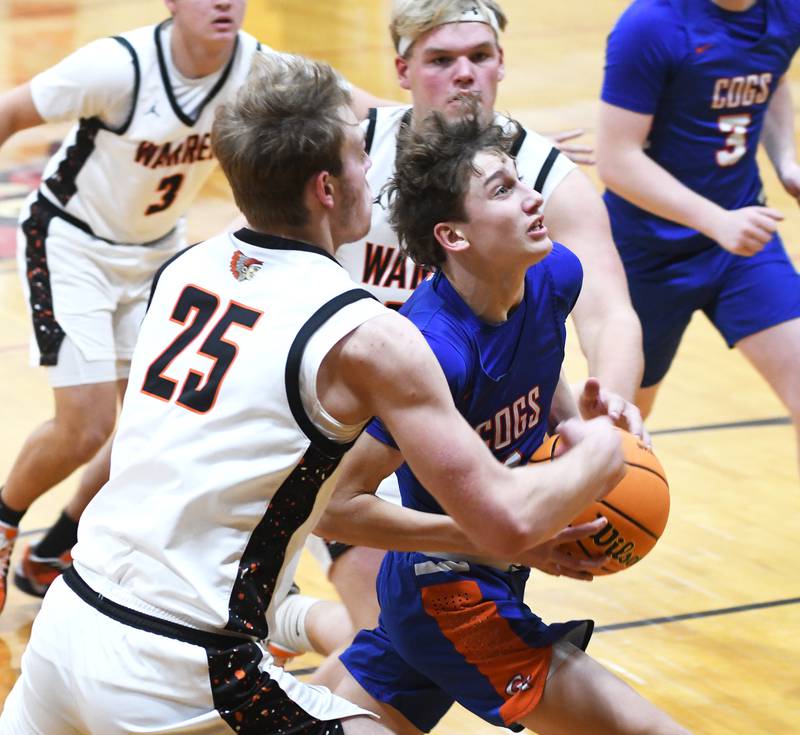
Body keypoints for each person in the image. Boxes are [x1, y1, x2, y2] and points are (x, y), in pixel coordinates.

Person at [0, 53, 630, 735]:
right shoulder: (368, 335)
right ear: (327, 188)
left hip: (70, 627)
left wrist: (476, 543)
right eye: (364, 156)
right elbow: (507, 518)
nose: (376, 173)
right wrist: (600, 452)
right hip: (186, 669)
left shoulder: (183, 272)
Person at [0, 0, 390, 611]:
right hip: (72, 240)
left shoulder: (255, 64)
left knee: (155, 416)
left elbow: (369, 109)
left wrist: (494, 138)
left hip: (158, 251)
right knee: (88, 424)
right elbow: (12, 110)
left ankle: (56, 548)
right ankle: (4, 525)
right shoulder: (118, 66)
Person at [310, 110, 687, 734]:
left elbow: (538, 364)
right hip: (450, 594)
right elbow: (334, 506)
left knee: (329, 722)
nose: (535, 196)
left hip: (485, 575)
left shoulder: (551, 273)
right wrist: (485, 538)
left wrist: (580, 417)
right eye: (504, 190)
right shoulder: (432, 350)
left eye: (521, 180)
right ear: (454, 237)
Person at [295, 0, 646, 667]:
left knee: (398, 651)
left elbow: (607, 310)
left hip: (466, 443)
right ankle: (297, 623)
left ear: (503, 64)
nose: (464, 75)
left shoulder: (543, 181)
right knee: (387, 626)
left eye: (479, 57)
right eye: (441, 60)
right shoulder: (353, 153)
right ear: (403, 70)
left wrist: (614, 400)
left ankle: (298, 626)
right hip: (343, 435)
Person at [596, 0, 800, 468]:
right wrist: (717, 221)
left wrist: (785, 159)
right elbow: (616, 159)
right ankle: (585, 536)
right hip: (645, 254)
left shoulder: (786, 12)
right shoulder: (651, 24)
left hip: (741, 244)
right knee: (623, 428)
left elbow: (773, 78)